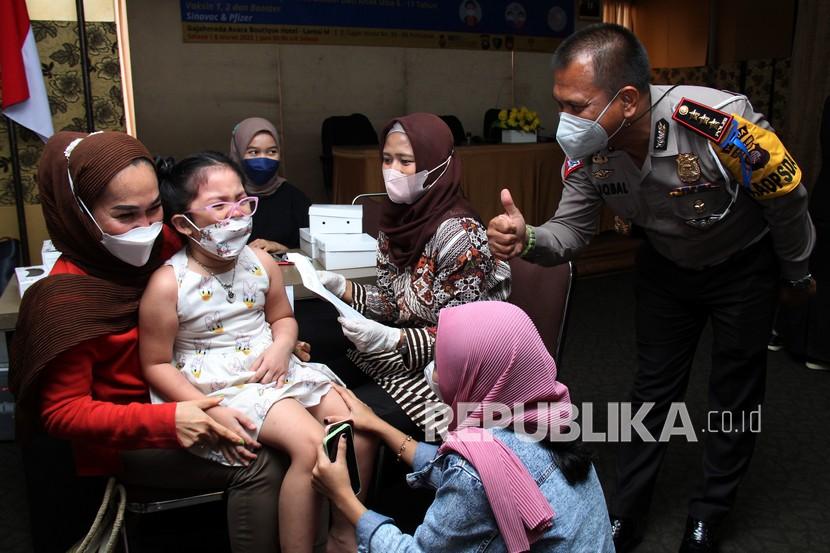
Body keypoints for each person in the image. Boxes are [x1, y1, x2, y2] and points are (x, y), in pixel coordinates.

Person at [486, 23, 815, 553]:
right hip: (666, 268)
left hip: (743, 268)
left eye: (578, 105)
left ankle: (710, 511)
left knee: (734, 392)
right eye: (559, 104)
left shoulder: (720, 123)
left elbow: (787, 198)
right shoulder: (592, 151)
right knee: (652, 391)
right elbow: (570, 232)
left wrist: (796, 274)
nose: (565, 121)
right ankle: (628, 510)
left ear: (629, 100)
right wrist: (526, 238)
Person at [9, 131, 286, 553]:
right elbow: (62, 413)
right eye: (125, 215)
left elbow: (217, 310)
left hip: (206, 389)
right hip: (134, 431)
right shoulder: (63, 297)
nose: (145, 227)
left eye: (154, 208)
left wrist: (270, 339)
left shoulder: (169, 243)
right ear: (81, 213)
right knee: (258, 463)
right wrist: (169, 421)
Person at [139, 151, 375, 553]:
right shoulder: (168, 284)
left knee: (361, 428)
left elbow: (283, 319)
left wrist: (283, 346)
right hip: (224, 384)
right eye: (218, 206)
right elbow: (155, 363)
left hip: (275, 363)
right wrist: (205, 408)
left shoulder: (262, 261)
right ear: (183, 223)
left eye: (242, 201)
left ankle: (344, 535)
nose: (236, 215)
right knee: (313, 445)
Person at [311, 301, 614, 552]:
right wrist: (380, 427)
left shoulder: (476, 471)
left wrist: (344, 498)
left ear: (479, 376)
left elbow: (468, 481)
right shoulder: (549, 420)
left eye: (444, 365)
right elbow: (476, 476)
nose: (435, 375)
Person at [317, 112, 510, 438]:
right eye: (387, 159)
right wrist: (345, 289)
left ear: (438, 167)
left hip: (449, 375)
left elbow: (461, 338)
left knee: (346, 417)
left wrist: (392, 339)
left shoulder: (459, 235)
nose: (392, 170)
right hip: (406, 352)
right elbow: (396, 303)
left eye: (406, 161)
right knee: (321, 376)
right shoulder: (396, 221)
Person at [229, 116, 311, 253]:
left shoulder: (295, 199)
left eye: (272, 152)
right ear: (238, 153)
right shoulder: (225, 200)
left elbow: (311, 251)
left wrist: (283, 249)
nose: (263, 160)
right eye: (253, 152)